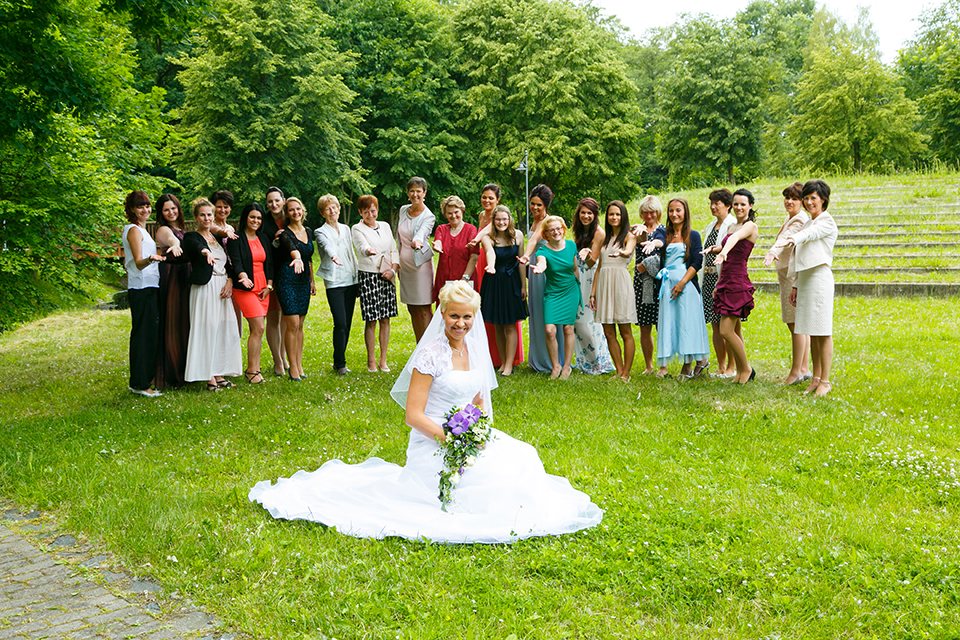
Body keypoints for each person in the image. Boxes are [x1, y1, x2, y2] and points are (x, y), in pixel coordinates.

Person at [248, 281, 603, 544]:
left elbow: (479, 404)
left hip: (467, 437)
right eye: (453, 316)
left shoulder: (477, 352)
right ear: (442, 315)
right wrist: (449, 438)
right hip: (431, 442)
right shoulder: (430, 355)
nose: (460, 323)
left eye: (466, 317)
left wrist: (478, 434)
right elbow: (413, 415)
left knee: (523, 457)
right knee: (479, 483)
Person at [784, 179, 838, 397]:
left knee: (822, 332)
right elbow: (801, 254)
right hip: (805, 279)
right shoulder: (809, 222)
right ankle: (815, 378)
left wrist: (789, 239)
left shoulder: (826, 222)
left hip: (820, 279)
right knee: (812, 332)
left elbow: (808, 236)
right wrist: (795, 285)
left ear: (823, 200)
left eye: (812, 198)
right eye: (805, 198)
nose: (808, 202)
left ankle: (825, 380)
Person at [182, 198, 242, 390]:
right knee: (206, 328)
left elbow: (228, 262)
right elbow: (194, 247)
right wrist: (205, 253)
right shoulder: (192, 236)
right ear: (196, 217)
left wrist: (230, 282)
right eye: (202, 215)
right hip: (205, 288)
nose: (206, 218)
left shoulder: (216, 238)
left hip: (222, 287)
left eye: (209, 214)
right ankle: (208, 376)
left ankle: (218, 371)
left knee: (223, 329)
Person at [703, 189, 759, 384]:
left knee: (726, 331)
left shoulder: (750, 226)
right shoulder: (732, 225)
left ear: (750, 205)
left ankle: (746, 369)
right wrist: (716, 249)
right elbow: (729, 242)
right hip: (725, 279)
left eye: (743, 204)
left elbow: (735, 241)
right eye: (736, 204)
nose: (739, 207)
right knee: (736, 331)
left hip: (737, 281)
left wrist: (723, 252)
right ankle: (741, 371)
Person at [655, 198, 710, 378]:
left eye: (678, 210)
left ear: (685, 212)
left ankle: (688, 364)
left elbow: (697, 261)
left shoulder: (693, 235)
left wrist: (682, 283)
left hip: (686, 286)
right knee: (671, 322)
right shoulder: (664, 234)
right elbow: (657, 243)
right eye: (671, 211)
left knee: (686, 324)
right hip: (667, 285)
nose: (674, 214)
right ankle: (666, 366)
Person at [763, 182, 811, 385]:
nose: (789, 202)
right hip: (787, 274)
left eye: (794, 198)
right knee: (798, 324)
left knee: (796, 324)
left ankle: (796, 372)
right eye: (787, 197)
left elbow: (786, 238)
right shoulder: (792, 216)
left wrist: (772, 251)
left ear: (802, 202)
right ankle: (804, 368)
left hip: (791, 276)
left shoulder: (799, 219)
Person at [472, 184, 525, 369]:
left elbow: (521, 262)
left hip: (511, 282)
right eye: (498, 220)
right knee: (497, 325)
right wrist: (491, 267)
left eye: (505, 219)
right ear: (493, 221)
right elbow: (490, 254)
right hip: (493, 281)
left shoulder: (518, 236)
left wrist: (523, 286)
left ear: (509, 220)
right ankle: (502, 362)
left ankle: (509, 364)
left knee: (510, 324)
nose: (501, 222)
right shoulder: (489, 238)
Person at [122, 190, 164, 397]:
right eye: (140, 206)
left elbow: (127, 262)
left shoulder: (142, 230)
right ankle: (140, 384)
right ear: (131, 209)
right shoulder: (134, 231)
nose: (145, 210)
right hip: (142, 288)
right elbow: (138, 263)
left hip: (149, 286)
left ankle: (144, 380)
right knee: (143, 337)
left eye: (147, 206)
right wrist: (152, 258)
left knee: (148, 335)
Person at [226, 203, 274, 384]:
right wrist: (243, 277)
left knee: (257, 330)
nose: (256, 221)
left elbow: (269, 264)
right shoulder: (236, 238)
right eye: (252, 217)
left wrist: (269, 287)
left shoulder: (263, 238)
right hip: (245, 287)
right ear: (245, 217)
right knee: (259, 327)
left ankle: (255, 367)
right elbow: (235, 262)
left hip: (263, 288)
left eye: (259, 218)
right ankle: (251, 370)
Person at [352, 194, 399, 373]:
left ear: (377, 210)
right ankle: (371, 361)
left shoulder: (386, 226)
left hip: (387, 275)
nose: (370, 215)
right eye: (366, 212)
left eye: (373, 211)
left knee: (385, 319)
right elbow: (361, 247)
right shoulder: (357, 228)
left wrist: (393, 271)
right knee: (371, 320)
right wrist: (368, 250)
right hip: (369, 275)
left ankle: (383, 360)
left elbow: (393, 249)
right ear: (360, 212)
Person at [591, 200, 637, 382]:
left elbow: (628, 251)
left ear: (623, 216)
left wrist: (622, 253)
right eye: (611, 214)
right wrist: (593, 293)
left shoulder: (629, 236)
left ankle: (626, 373)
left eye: (618, 214)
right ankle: (619, 371)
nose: (614, 217)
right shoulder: (604, 239)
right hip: (603, 284)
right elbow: (599, 267)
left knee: (625, 331)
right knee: (608, 332)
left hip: (620, 284)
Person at [315, 194, 359, 376]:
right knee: (340, 322)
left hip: (351, 279)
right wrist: (333, 256)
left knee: (347, 323)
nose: (332, 211)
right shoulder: (320, 231)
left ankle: (339, 362)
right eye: (328, 208)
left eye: (334, 207)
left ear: (339, 209)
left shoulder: (346, 229)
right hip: (334, 282)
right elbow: (327, 246)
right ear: (322, 213)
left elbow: (351, 251)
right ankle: (340, 363)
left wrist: (357, 275)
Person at [518, 184, 561, 373]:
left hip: (546, 272)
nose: (535, 208)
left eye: (539, 205)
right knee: (537, 314)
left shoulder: (547, 221)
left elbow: (534, 241)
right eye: (533, 204)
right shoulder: (533, 222)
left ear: (546, 206)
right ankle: (538, 359)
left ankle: (552, 360)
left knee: (549, 316)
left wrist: (526, 257)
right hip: (534, 274)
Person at [532, 215, 580, 379]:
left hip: (570, 291)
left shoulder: (572, 246)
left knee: (568, 328)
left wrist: (579, 291)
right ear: (546, 233)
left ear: (563, 229)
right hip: (553, 293)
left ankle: (567, 366)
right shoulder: (543, 250)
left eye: (558, 228)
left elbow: (574, 269)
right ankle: (556, 366)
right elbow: (542, 262)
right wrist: (539, 268)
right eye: (551, 230)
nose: (556, 232)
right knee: (550, 330)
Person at [571, 198, 614, 376]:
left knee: (587, 323)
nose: (586, 216)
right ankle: (584, 362)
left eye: (590, 213)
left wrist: (585, 253)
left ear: (595, 215)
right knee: (576, 323)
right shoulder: (579, 230)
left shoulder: (599, 233)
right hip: (578, 276)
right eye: (583, 212)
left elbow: (592, 262)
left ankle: (599, 362)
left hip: (590, 278)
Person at [275, 197, 316, 381]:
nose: (295, 212)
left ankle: (299, 365)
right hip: (287, 279)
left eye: (298, 209)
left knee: (300, 325)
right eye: (291, 210)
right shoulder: (284, 233)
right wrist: (297, 258)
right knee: (292, 324)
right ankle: (292, 368)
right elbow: (295, 250)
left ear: (303, 210)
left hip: (303, 281)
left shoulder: (308, 231)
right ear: (287, 213)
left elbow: (309, 258)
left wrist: (312, 280)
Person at [154, 194, 190, 389]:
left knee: (185, 322)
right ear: (161, 213)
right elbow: (170, 240)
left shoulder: (181, 229)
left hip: (185, 275)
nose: (171, 212)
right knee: (173, 323)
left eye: (173, 208)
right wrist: (176, 245)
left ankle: (186, 370)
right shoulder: (163, 230)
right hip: (172, 276)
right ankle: (173, 373)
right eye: (166, 209)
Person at [701, 189, 737, 377]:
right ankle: (721, 366)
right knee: (714, 325)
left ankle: (732, 366)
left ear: (728, 205)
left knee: (728, 326)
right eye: (711, 203)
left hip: (723, 278)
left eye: (717, 203)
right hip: (707, 278)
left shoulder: (732, 225)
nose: (713, 207)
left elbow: (729, 254)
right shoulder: (711, 225)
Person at [397, 176, 435, 342]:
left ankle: (429, 345)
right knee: (412, 308)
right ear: (407, 193)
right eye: (412, 191)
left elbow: (422, 233)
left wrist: (418, 241)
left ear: (424, 193)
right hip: (405, 266)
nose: (415, 194)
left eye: (418, 191)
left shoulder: (429, 216)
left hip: (421, 267)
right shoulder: (403, 210)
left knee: (424, 309)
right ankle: (419, 346)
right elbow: (398, 237)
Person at [631, 196, 666, 375]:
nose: (649, 215)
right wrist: (643, 232)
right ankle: (648, 365)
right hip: (641, 281)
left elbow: (659, 242)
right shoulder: (636, 229)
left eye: (652, 212)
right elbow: (639, 241)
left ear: (657, 212)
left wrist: (652, 242)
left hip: (660, 282)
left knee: (661, 325)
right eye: (645, 212)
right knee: (644, 326)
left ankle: (662, 366)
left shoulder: (663, 230)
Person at [261, 187, 288, 376]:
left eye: (277, 200)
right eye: (270, 201)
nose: (274, 204)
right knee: (273, 318)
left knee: (288, 318)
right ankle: (277, 361)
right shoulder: (263, 222)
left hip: (291, 274)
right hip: (270, 272)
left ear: (283, 200)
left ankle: (285, 356)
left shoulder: (292, 217)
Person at [432, 195, 479, 302]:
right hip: (444, 278)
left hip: (465, 278)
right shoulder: (441, 229)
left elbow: (474, 257)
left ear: (462, 211)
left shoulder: (470, 229)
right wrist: (437, 245)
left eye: (456, 212)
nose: (453, 216)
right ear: (445, 214)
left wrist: (464, 279)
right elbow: (438, 240)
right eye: (449, 213)